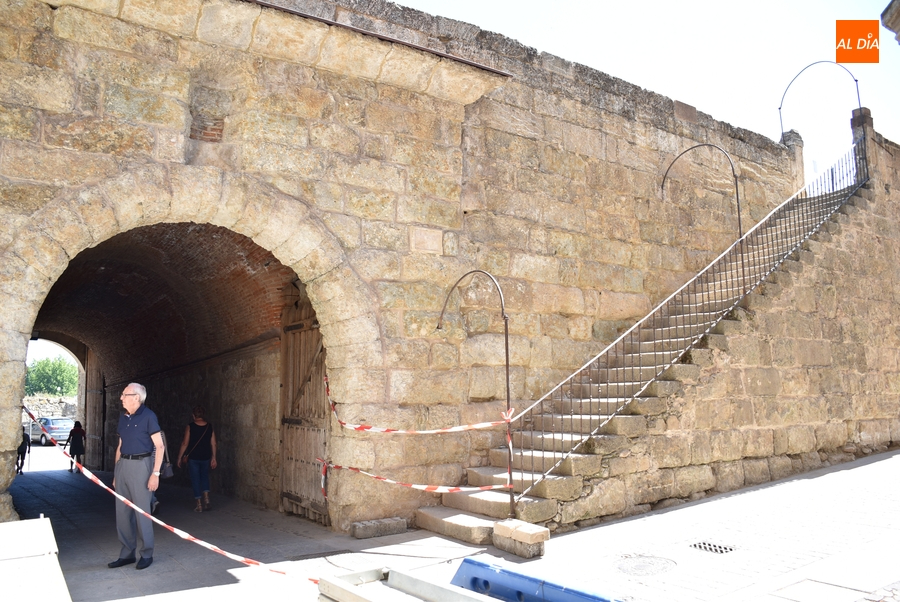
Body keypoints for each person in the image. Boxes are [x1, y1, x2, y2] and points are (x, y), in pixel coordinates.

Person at [109, 383, 164, 571]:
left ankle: (147, 553)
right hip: (123, 464)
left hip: (142, 465)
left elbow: (160, 446)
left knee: (142, 512)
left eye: (125, 394)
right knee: (122, 512)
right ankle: (126, 553)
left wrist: (155, 474)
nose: (121, 398)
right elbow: (120, 445)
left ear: (136, 398)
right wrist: (116, 472)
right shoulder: (123, 418)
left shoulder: (148, 416)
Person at [177, 405, 217, 512]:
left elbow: (185, 443)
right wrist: (214, 457)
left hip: (194, 457)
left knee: (195, 479)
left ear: (193, 416)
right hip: (206, 456)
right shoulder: (209, 427)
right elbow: (213, 443)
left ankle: (199, 504)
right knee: (204, 477)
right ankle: (207, 499)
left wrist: (180, 457)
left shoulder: (190, 427)